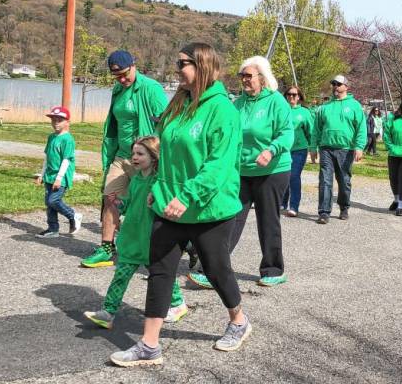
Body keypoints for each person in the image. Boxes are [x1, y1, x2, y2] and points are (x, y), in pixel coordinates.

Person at [109, 43, 250, 367]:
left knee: (216, 270)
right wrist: (156, 189)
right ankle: (149, 345)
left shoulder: (222, 110)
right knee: (160, 270)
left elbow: (218, 166)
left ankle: (239, 320)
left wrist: (185, 196)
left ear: (203, 66)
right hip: (168, 206)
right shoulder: (178, 104)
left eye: (183, 64)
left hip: (209, 208)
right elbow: (165, 153)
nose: (177, 69)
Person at [189, 56, 293, 289]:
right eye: (242, 76)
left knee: (268, 220)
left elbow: (287, 133)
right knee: (229, 219)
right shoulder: (237, 104)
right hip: (242, 171)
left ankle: (273, 269)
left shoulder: (276, 102)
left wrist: (271, 150)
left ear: (262, 78)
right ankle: (212, 269)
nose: (244, 80)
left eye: (249, 75)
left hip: (272, 170)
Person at [84, 137, 187, 329]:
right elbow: (129, 204)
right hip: (132, 237)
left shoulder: (159, 182)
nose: (134, 157)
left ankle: (178, 303)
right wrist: (118, 203)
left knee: (160, 274)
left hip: (150, 238)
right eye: (133, 154)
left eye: (140, 154)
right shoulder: (136, 179)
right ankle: (108, 312)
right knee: (121, 275)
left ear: (154, 156)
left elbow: (164, 206)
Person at [83, 50, 169, 268]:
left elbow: (166, 123)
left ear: (134, 65)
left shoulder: (151, 89)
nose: (121, 79)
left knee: (150, 206)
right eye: (116, 76)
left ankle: (166, 250)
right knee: (110, 196)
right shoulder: (118, 89)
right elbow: (113, 123)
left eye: (124, 74)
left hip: (147, 159)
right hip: (122, 156)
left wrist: (154, 152)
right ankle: (106, 248)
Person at [310, 75, 367, 224]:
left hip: (345, 149)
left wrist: (359, 147)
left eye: (338, 84)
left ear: (346, 87)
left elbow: (361, 128)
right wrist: (313, 147)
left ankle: (344, 207)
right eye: (333, 84)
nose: (335, 86)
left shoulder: (354, 105)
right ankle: (324, 212)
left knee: (344, 181)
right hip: (326, 148)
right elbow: (316, 129)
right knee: (325, 181)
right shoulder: (325, 107)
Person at [35, 106, 82, 238]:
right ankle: (53, 229)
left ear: (67, 122)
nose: (56, 122)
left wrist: (59, 178)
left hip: (61, 176)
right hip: (50, 175)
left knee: (53, 201)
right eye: (53, 120)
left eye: (59, 120)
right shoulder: (51, 137)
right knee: (48, 203)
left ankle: (73, 215)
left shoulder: (68, 139)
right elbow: (47, 157)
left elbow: (66, 160)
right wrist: (42, 174)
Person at [282, 85, 313, 217]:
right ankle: (282, 202)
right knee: (283, 177)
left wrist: (313, 148)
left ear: (299, 97)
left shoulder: (305, 113)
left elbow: (311, 131)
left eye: (294, 94)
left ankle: (294, 206)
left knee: (294, 176)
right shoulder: (281, 110)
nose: (291, 97)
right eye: (288, 94)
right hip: (283, 150)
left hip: (299, 150)